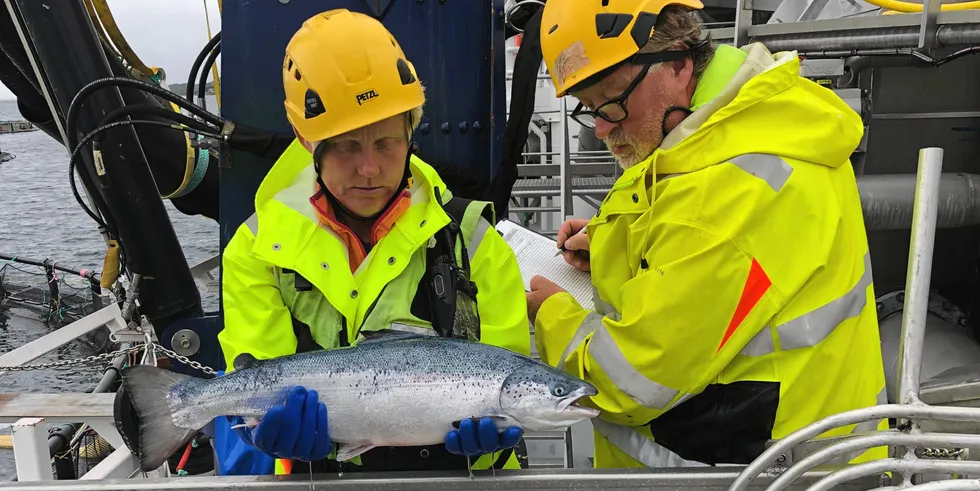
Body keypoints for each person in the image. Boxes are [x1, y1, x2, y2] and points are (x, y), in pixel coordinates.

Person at [525, 0, 888, 469]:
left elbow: (628, 381)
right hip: (799, 448)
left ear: (676, 62)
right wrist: (614, 242)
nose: (600, 129)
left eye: (611, 102)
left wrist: (552, 315)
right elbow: (707, 251)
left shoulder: (722, 191)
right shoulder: (737, 124)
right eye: (588, 108)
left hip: (753, 471)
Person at [215, 8, 531, 476]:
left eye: (386, 143)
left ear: (411, 131)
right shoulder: (256, 251)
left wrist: (491, 444)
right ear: (307, 139)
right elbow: (255, 393)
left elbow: (507, 382)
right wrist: (270, 438)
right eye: (344, 145)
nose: (368, 168)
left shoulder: (474, 239)